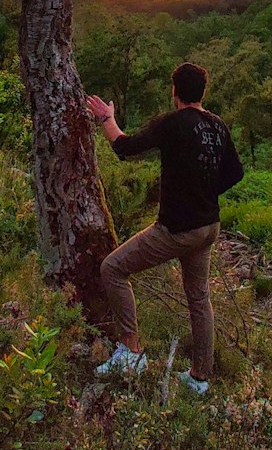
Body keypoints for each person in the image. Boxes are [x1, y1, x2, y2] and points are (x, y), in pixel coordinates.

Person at [86, 62, 243, 395]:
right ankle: (200, 378)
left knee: (113, 268)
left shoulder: (174, 123)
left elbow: (125, 148)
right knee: (199, 298)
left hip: (177, 230)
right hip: (209, 226)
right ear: (203, 92)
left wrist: (107, 119)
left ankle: (130, 353)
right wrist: (203, 193)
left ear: (174, 92)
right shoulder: (217, 125)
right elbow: (234, 174)